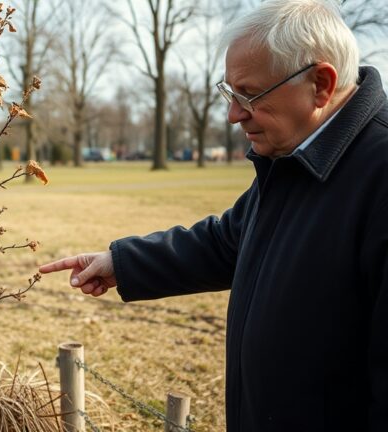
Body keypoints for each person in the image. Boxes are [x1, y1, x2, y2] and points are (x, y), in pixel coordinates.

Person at [39, 1, 388, 431]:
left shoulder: (378, 175)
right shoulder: (294, 158)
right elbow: (228, 242)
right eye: (229, 93)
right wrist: (122, 263)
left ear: (320, 84)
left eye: (249, 94)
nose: (234, 114)